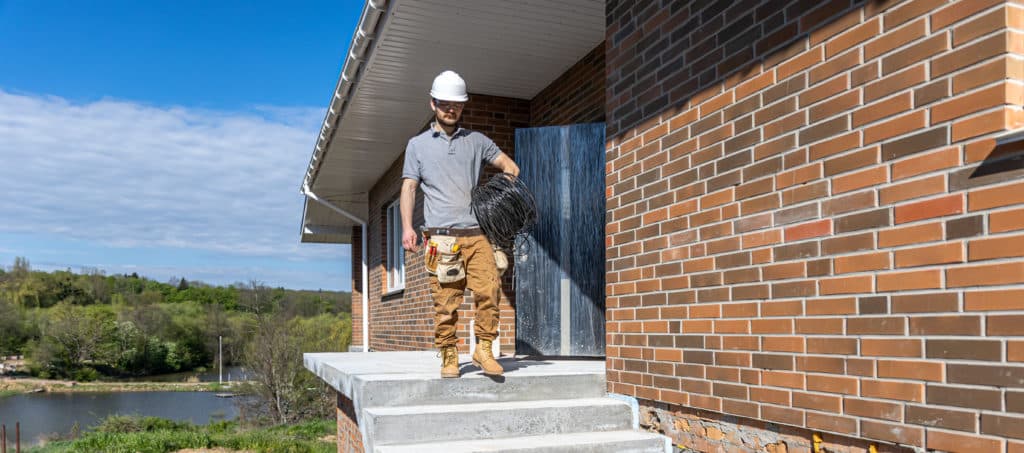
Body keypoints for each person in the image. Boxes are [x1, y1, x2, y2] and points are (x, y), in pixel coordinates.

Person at [400, 70, 520, 378]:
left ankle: (483, 348)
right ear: (433, 104)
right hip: (442, 239)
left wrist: (497, 194)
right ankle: (449, 354)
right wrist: (407, 228)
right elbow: (409, 187)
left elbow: (511, 167)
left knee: (490, 291)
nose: (450, 109)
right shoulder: (417, 145)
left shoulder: (477, 142)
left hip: (478, 234)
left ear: (463, 106)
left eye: (457, 104)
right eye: (444, 104)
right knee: (446, 301)